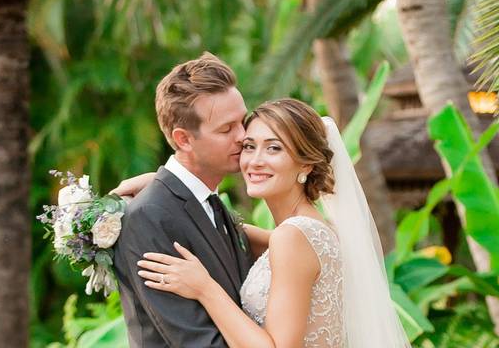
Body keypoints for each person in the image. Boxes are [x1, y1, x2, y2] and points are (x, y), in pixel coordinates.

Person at [119, 89, 409, 347]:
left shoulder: (292, 238)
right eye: (249, 146)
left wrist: (205, 288)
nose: (255, 160)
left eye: (274, 148)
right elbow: (226, 229)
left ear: (306, 163)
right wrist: (167, 186)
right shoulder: (311, 232)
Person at [111, 53, 254, 347]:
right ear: (183, 139)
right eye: (226, 129)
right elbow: (196, 341)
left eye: (244, 121)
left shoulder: (210, 201)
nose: (243, 137)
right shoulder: (148, 216)